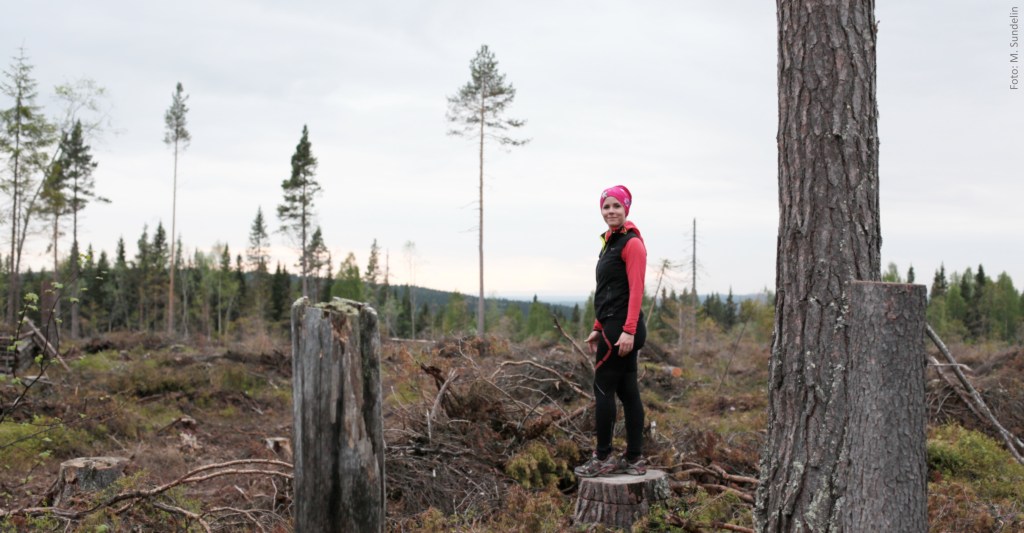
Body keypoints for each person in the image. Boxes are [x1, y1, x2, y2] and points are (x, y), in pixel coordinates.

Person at [574, 184, 648, 478]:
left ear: (626, 209)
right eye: (606, 207)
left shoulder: (631, 243)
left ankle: (604, 457)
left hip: (622, 330)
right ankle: (634, 458)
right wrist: (596, 326)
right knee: (628, 392)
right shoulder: (609, 242)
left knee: (603, 389)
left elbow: (636, 290)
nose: (611, 211)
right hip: (613, 327)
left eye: (617, 206)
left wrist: (628, 331)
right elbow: (606, 291)